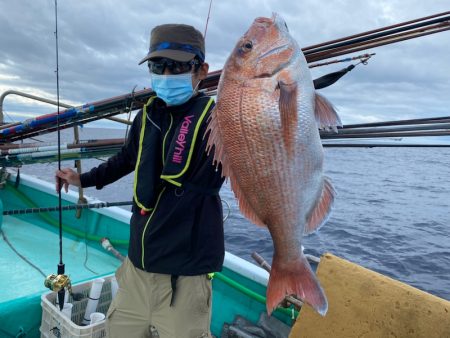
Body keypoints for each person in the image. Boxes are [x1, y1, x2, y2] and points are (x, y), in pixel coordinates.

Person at [56, 23, 224, 338]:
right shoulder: (147, 115)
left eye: (176, 65)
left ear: (201, 70)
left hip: (183, 280)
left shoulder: (219, 121)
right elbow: (125, 160)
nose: (165, 72)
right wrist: (81, 179)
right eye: (157, 65)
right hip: (136, 270)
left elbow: (255, 144)